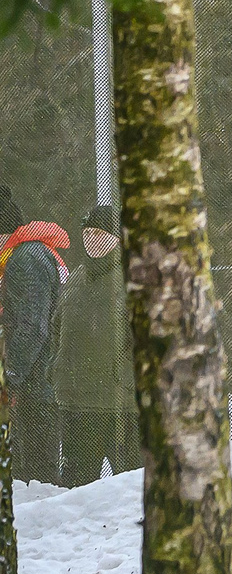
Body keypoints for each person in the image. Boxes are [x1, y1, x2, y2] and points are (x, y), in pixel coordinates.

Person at [58, 205, 139, 484]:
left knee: (132, 490)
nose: (92, 238)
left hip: (123, 408)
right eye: (87, 233)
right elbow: (58, 329)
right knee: (76, 495)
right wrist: (56, 369)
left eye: (100, 233)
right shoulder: (76, 279)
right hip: (79, 406)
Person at [0, 191, 71, 487]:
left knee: (36, 478)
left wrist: (11, 373)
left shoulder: (25, 259)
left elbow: (33, 325)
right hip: (32, 382)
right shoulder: (18, 255)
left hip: (37, 385)